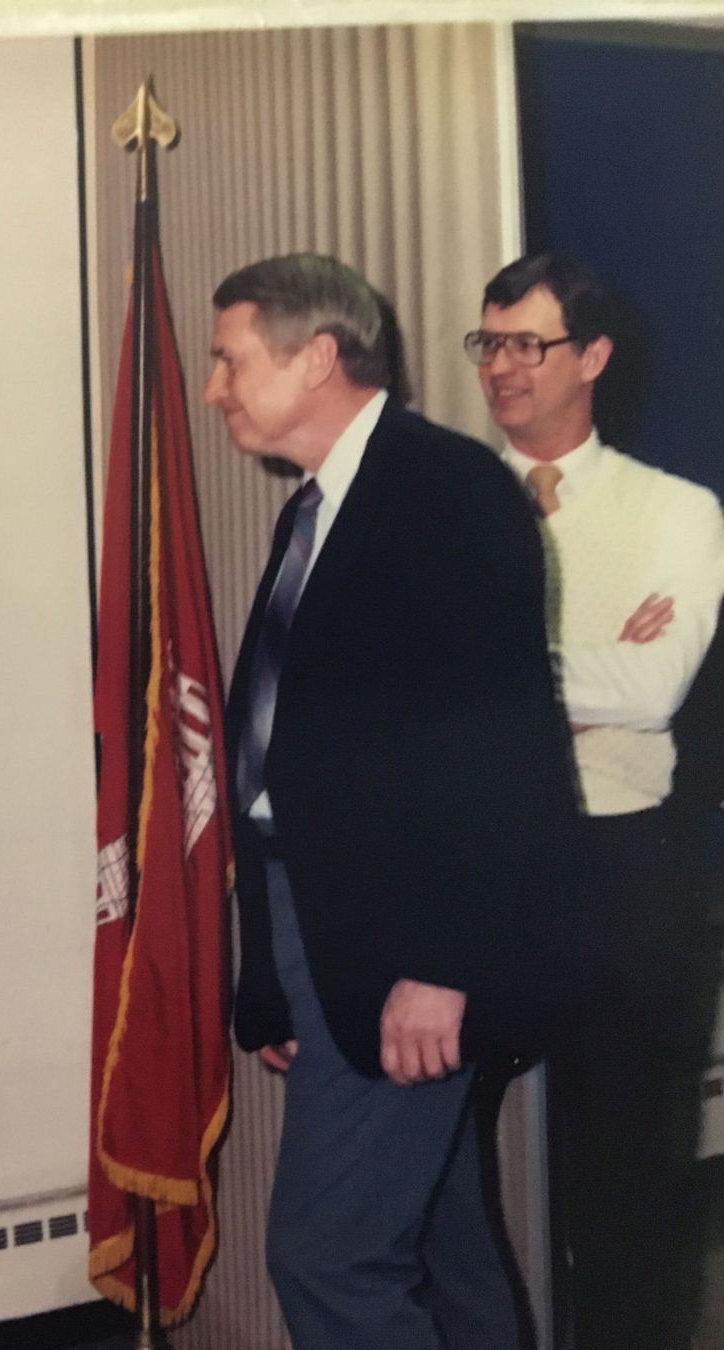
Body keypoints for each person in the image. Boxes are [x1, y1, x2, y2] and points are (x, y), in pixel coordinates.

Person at [209, 254, 576, 1348]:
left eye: (230, 361)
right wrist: (272, 975)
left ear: (316, 356)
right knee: (446, 1239)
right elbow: (289, 759)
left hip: (408, 947)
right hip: (316, 924)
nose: (216, 387)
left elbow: (501, 758)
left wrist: (446, 967)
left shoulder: (448, 492)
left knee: (328, 1256)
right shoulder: (314, 513)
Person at [469, 253, 724, 1348]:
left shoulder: (678, 510)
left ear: (594, 358)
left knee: (629, 1186)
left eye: (529, 342)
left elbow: (652, 686)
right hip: (484, 867)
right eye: (488, 343)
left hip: (629, 876)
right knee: (457, 1171)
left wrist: (498, 676)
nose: (501, 368)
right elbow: (419, 690)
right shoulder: (447, 505)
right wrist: (576, 676)